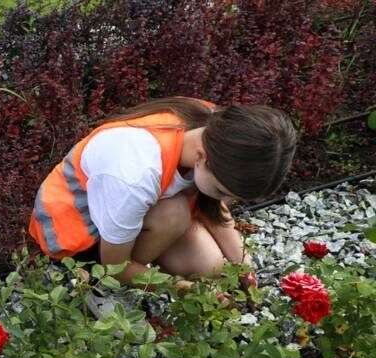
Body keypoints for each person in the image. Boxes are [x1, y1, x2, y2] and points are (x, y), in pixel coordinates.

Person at [29, 97, 297, 301]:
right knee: (175, 216)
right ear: (202, 158)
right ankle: (96, 285)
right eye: (223, 192)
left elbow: (214, 208)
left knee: (212, 268)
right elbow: (115, 265)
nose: (227, 202)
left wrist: (244, 268)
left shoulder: (216, 130)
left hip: (135, 211)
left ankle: (146, 255)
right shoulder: (134, 173)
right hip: (81, 233)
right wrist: (185, 290)